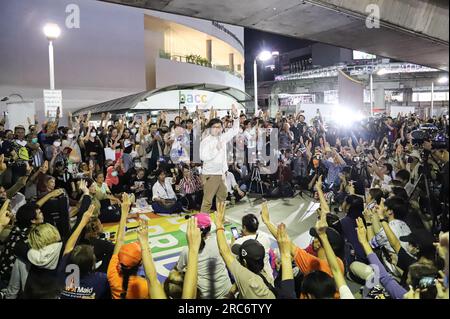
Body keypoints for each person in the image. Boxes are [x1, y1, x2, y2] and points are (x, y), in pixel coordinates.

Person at [214, 202, 276, 299]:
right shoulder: (265, 238)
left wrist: (219, 224)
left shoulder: (245, 276)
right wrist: (267, 221)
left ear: (245, 262)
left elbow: (225, 251)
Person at [176, 213, 232, 299]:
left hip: (205, 296)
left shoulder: (187, 250)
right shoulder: (219, 241)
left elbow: (178, 269)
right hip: (227, 291)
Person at [107, 193, 149, 299]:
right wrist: (144, 240)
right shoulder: (143, 285)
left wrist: (124, 213)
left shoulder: (112, 274)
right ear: (140, 263)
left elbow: (120, 240)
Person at [199, 105, 240, 213]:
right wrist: (216, 149)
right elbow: (203, 157)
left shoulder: (222, 138)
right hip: (211, 174)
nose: (217, 129)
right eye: (215, 127)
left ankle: (220, 219)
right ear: (210, 128)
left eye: (219, 127)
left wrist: (236, 116)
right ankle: (203, 225)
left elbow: (235, 130)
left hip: (221, 173)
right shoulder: (206, 141)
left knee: (222, 199)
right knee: (207, 201)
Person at [231, 213, 273, 281]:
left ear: (244, 227)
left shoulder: (239, 242)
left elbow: (232, 251)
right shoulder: (265, 236)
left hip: (252, 279)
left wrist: (233, 241)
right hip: (268, 275)